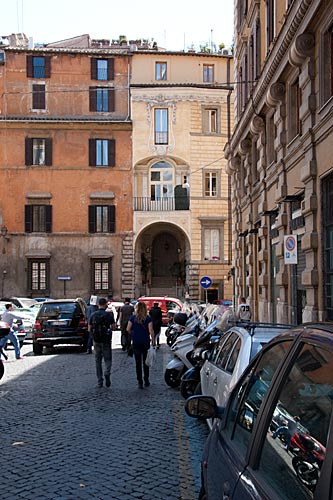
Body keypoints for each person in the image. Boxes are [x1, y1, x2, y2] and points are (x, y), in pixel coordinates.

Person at [88, 297, 116, 388]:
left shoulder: (93, 315)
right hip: (106, 340)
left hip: (96, 340)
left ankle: (100, 381)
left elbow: (89, 329)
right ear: (105, 304)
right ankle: (107, 372)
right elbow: (113, 327)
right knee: (108, 359)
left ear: (98, 304)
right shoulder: (109, 315)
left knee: (98, 361)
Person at [127, 302, 155, 389]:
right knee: (146, 362)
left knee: (138, 363)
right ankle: (146, 379)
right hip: (145, 342)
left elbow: (127, 329)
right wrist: (153, 341)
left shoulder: (132, 318)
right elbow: (151, 330)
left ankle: (140, 381)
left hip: (136, 342)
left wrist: (133, 334)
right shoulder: (148, 319)